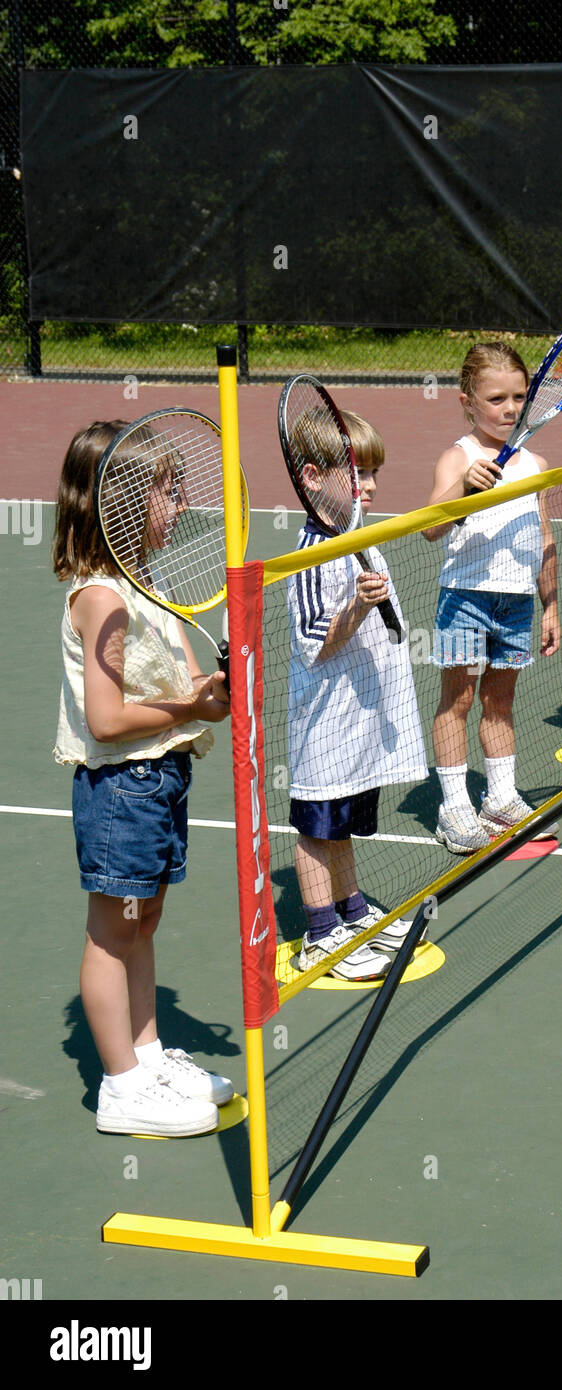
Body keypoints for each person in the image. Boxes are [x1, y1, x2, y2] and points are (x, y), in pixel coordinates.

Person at [53, 421, 234, 1138]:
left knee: (144, 920)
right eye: (168, 490)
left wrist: (210, 692)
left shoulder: (146, 580)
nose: (182, 503)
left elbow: (187, 681)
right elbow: (104, 719)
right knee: (109, 934)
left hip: (161, 778)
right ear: (121, 504)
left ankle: (150, 1055)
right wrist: (190, 705)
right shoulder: (102, 598)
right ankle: (122, 1087)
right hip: (122, 788)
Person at [285, 410, 428, 981]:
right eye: (358, 473)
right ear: (315, 476)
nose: (370, 485)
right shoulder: (314, 553)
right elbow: (313, 644)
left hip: (358, 720)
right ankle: (320, 935)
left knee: (340, 822)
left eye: (373, 472)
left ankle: (349, 909)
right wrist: (358, 607)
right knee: (318, 828)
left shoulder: (354, 533)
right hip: (326, 723)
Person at [422, 342, 560, 853]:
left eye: (518, 397)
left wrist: (551, 606)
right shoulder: (459, 457)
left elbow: (544, 536)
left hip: (518, 602)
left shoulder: (536, 462)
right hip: (466, 598)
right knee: (456, 701)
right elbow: (429, 529)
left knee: (500, 701)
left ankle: (500, 797)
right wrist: (464, 489)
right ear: (467, 401)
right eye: (496, 398)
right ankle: (455, 807)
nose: (509, 408)